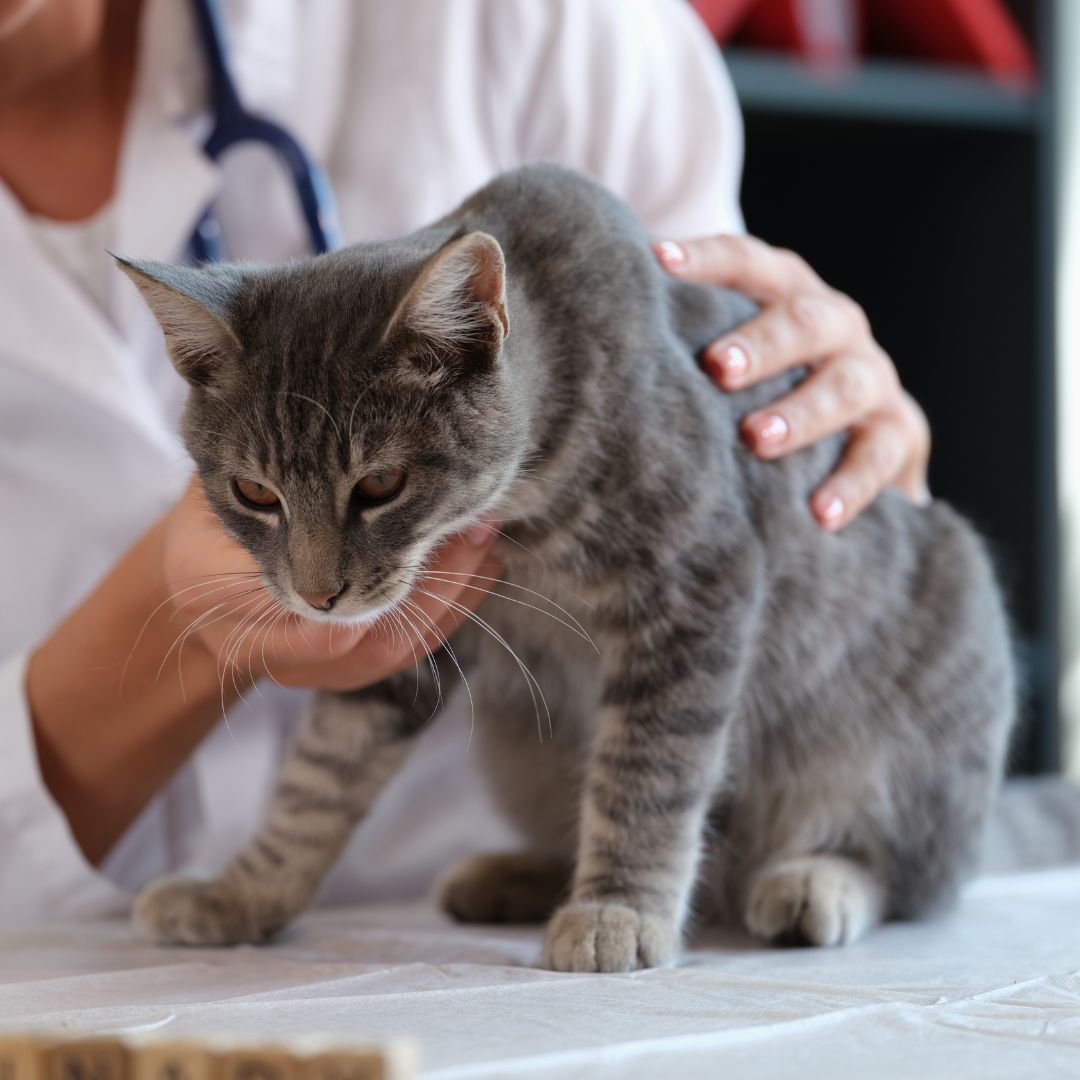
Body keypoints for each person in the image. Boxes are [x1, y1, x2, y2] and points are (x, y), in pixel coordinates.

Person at [0, 0, 929, 922]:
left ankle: (838, 861)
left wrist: (870, 446)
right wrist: (179, 613)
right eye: (253, 494)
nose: (318, 582)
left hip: (576, 921)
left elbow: (719, 578)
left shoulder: (555, 27)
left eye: (377, 488)